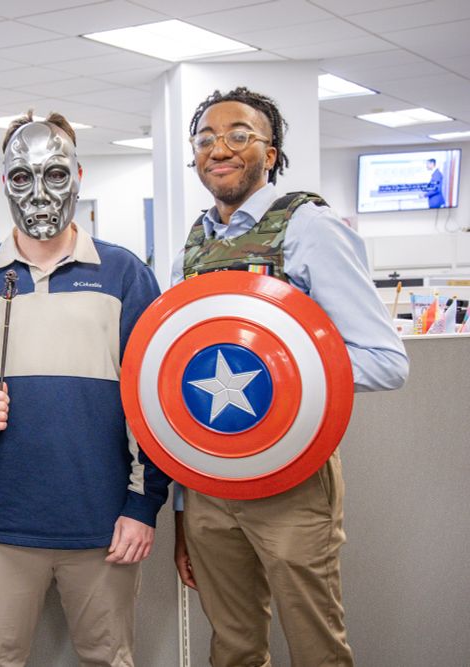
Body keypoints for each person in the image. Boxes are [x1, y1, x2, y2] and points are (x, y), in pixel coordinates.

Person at [171, 87, 409, 667]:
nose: (219, 148)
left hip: (291, 485)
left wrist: (285, 376)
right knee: (232, 647)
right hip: (208, 486)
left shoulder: (310, 227)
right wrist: (182, 507)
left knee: (316, 649)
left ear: (270, 154)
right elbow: (174, 380)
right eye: (205, 139)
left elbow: (385, 359)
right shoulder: (193, 246)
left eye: (239, 135)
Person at [0, 112, 168, 667]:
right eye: (22, 178)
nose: (40, 193)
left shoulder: (124, 274)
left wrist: (144, 505)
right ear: (4, 183)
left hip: (102, 523)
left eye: (56, 174)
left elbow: (152, 397)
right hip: (0, 521)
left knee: (108, 659)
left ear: (79, 175)